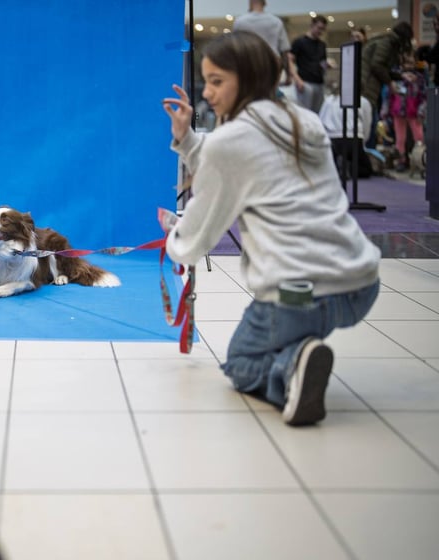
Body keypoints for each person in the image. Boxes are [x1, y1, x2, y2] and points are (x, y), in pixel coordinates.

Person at [161, 31, 380, 427]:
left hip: (301, 294)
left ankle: (292, 365)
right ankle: (301, 344)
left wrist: (174, 236)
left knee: (242, 364)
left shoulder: (229, 143)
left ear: (247, 78)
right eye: (206, 80)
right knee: (296, 323)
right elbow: (246, 157)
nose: (207, 93)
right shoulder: (303, 120)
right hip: (360, 283)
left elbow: (194, 240)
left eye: (217, 81)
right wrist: (189, 140)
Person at [361, 22, 414, 148]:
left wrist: (401, 76)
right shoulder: (387, 43)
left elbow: (381, 66)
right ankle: (368, 160)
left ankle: (368, 158)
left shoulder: (385, 41)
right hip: (367, 87)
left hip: (367, 86)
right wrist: (390, 83)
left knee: (370, 124)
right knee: (370, 125)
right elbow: (377, 65)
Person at [318, 83, 375, 178]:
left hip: (332, 137)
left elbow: (321, 119)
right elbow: (367, 122)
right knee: (365, 168)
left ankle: (337, 166)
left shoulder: (329, 101)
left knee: (331, 161)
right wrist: (364, 140)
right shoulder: (362, 101)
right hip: (353, 137)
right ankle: (349, 167)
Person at [232, 0, 293, 88]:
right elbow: (284, 51)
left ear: (250, 2)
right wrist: (288, 75)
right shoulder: (276, 22)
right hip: (271, 65)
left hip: (248, 65)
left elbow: (235, 49)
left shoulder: (240, 22)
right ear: (265, 3)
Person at [387, 51, 427, 171]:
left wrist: (421, 111)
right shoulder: (396, 76)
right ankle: (401, 160)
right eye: (406, 62)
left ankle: (420, 160)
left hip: (414, 112)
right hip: (398, 111)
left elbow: (424, 96)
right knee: (400, 139)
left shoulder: (420, 78)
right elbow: (390, 95)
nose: (409, 64)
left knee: (419, 137)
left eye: (411, 61)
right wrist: (386, 112)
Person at [289, 15, 329, 113]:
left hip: (319, 84)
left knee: (318, 115)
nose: (320, 32)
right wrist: (297, 79)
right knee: (305, 114)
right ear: (312, 25)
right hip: (305, 83)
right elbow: (289, 60)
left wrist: (327, 65)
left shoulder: (322, 45)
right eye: (319, 28)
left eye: (323, 29)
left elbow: (322, 63)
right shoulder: (299, 42)